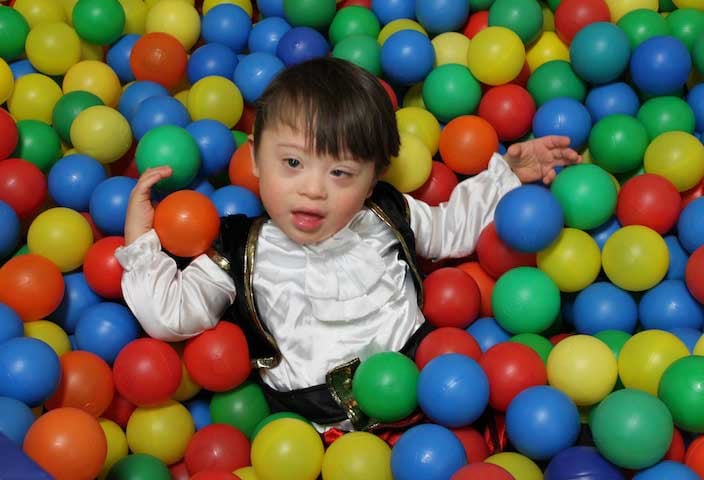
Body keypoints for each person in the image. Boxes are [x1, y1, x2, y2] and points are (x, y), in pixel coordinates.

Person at [115, 57, 581, 432]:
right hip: (317, 430)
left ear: (372, 176)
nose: (313, 189)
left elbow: (451, 229)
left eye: (340, 173)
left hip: (431, 391)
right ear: (255, 156)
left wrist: (504, 176)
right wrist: (142, 242)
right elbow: (172, 316)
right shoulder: (239, 247)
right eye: (293, 162)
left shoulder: (383, 214)